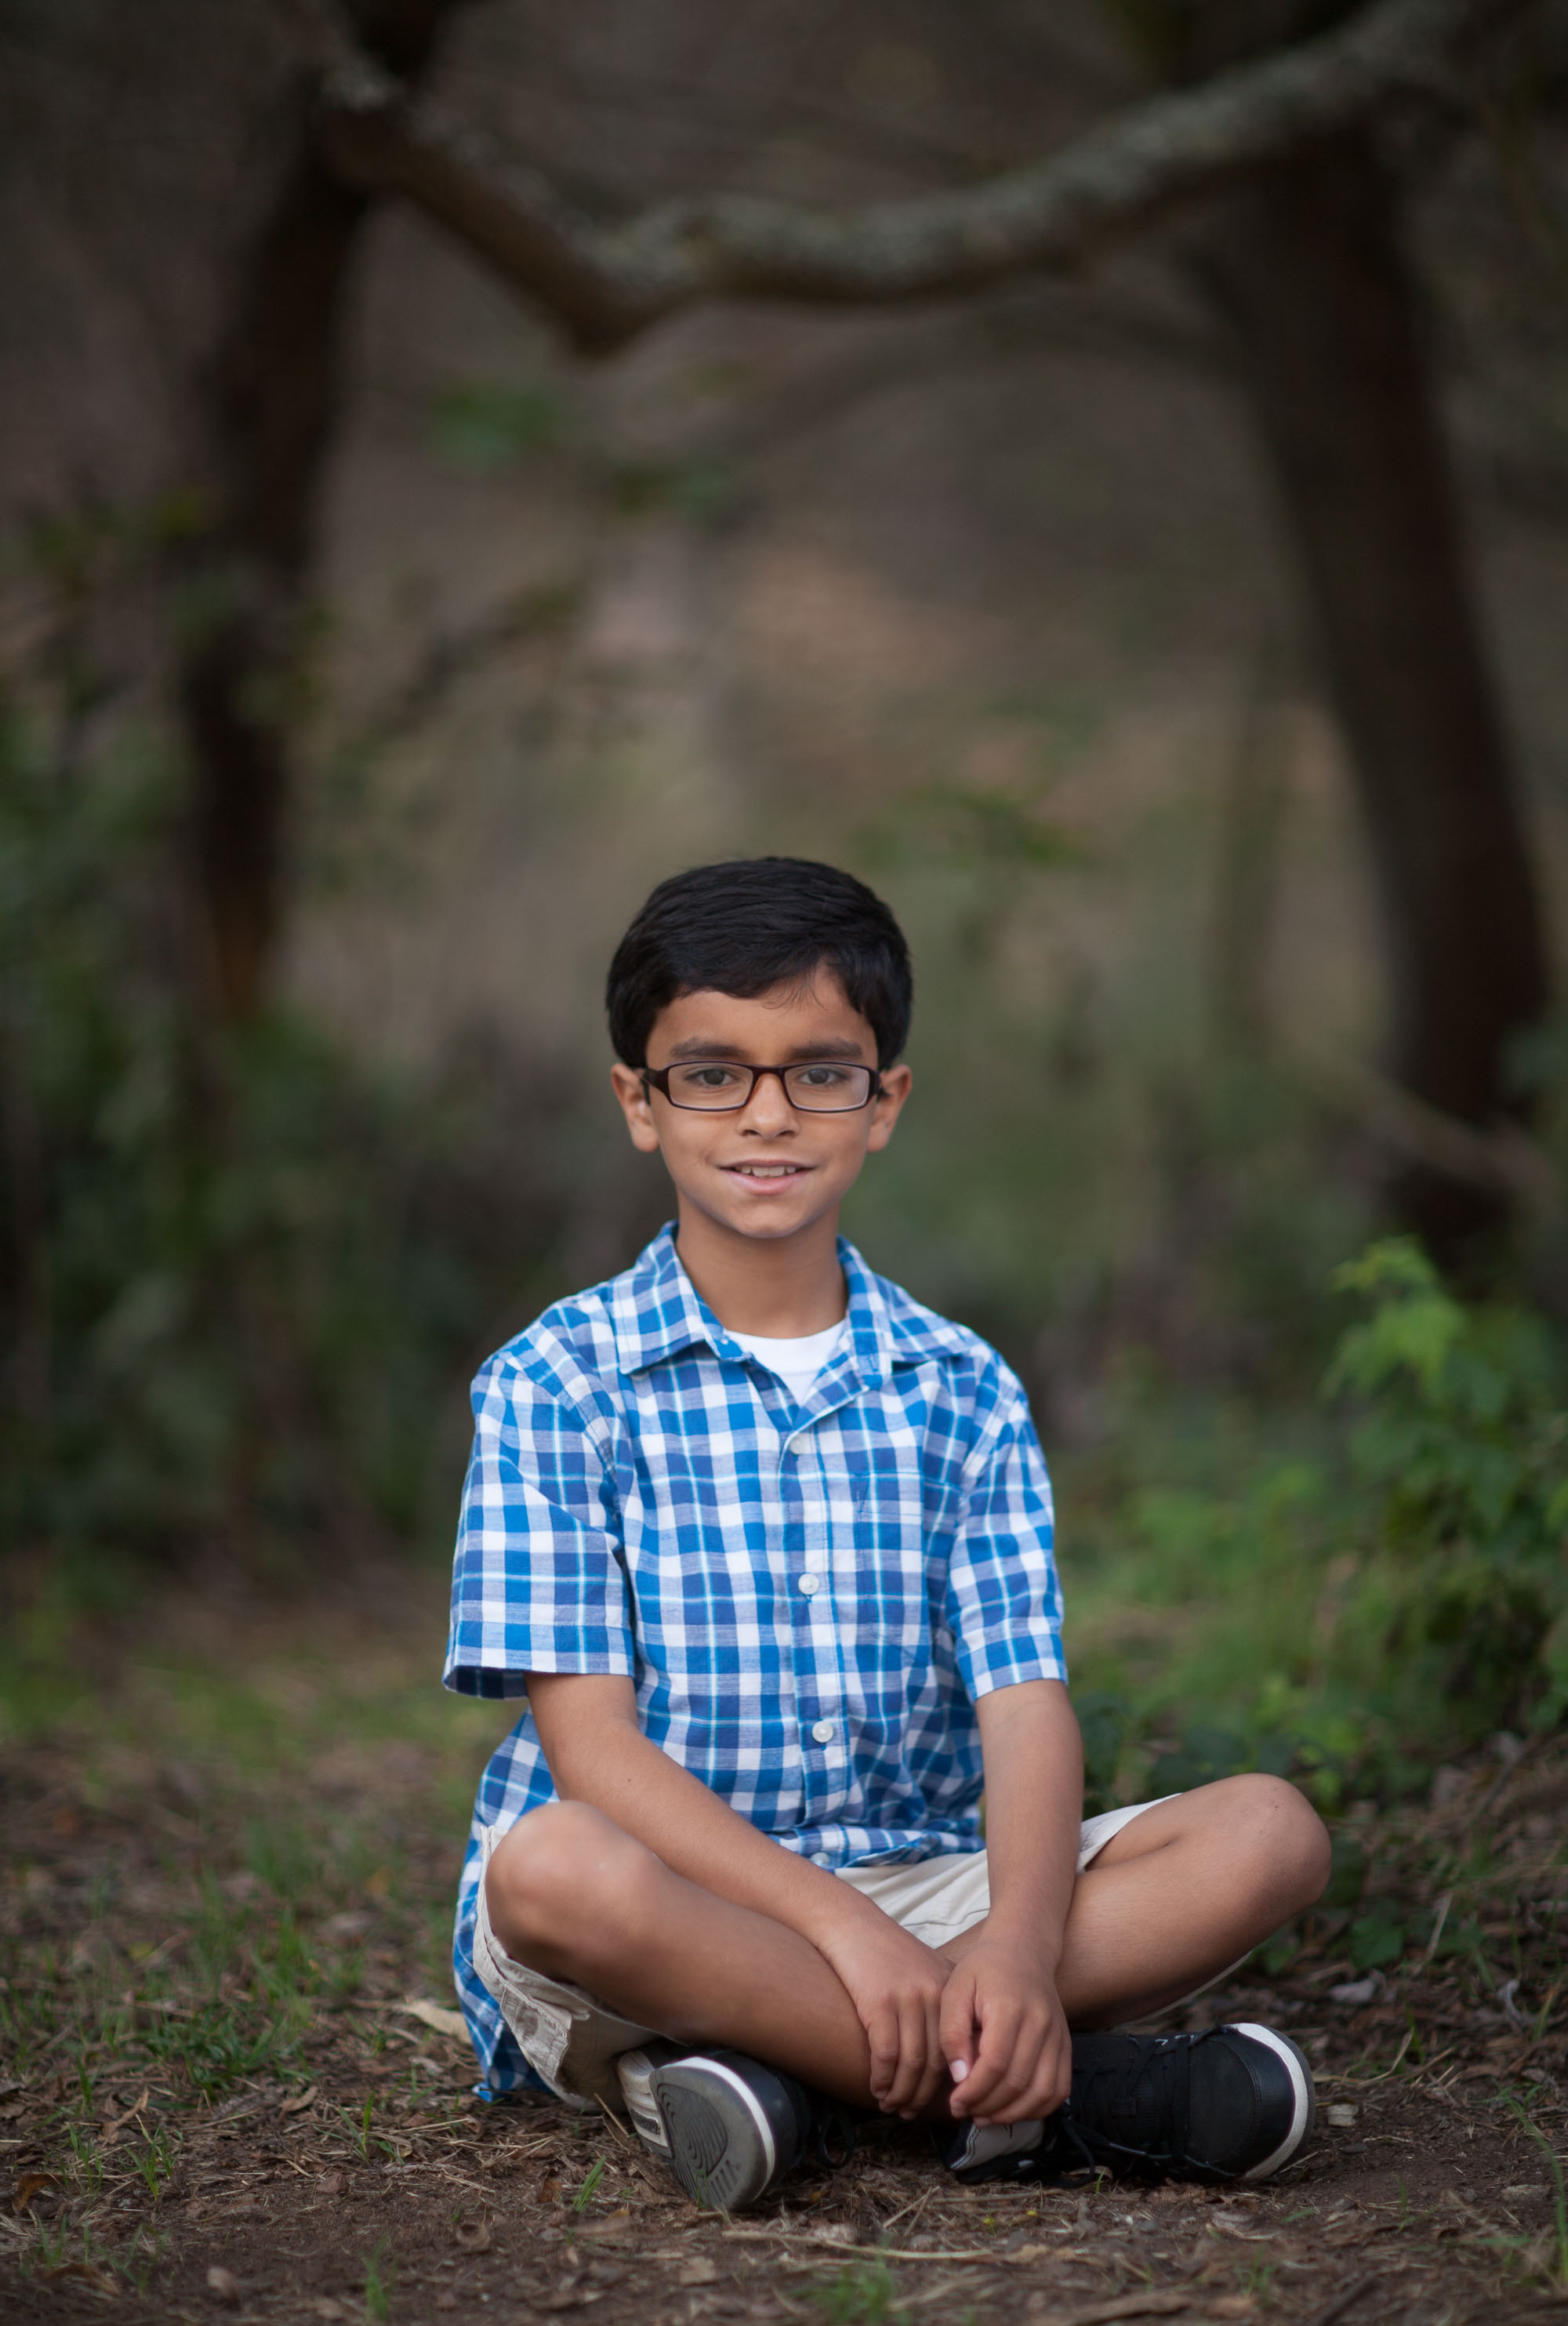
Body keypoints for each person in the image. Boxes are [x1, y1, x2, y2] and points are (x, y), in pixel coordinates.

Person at [444, 856, 1330, 2212]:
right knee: (552, 1867)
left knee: (1269, 1833)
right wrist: (840, 1931)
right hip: (669, 1907)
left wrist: (1020, 1952)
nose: (767, 1113)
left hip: (923, 1884)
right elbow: (596, 1758)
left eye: (819, 1071)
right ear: (641, 1102)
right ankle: (1072, 2098)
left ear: (883, 1102)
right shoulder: (556, 1383)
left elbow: (1024, 1707)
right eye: (711, 1072)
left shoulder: (961, 1388)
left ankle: (794, 2081)